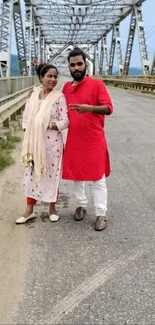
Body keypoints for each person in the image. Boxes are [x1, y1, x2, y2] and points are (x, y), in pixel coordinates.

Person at [62, 47, 113, 231]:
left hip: (94, 139)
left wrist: (90, 108)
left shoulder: (97, 85)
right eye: (73, 64)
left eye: (79, 64)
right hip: (75, 140)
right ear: (69, 67)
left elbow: (108, 108)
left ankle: (101, 214)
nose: (76, 67)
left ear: (85, 65)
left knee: (98, 178)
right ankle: (82, 205)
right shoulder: (66, 88)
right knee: (77, 176)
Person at [16, 64, 68, 224]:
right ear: (41, 77)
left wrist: (47, 125)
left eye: (55, 76)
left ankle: (52, 208)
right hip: (33, 142)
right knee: (32, 174)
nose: (53, 79)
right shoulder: (33, 95)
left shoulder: (59, 97)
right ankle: (29, 211)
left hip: (52, 144)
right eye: (49, 76)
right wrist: (29, 134)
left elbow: (65, 121)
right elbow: (25, 118)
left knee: (51, 175)